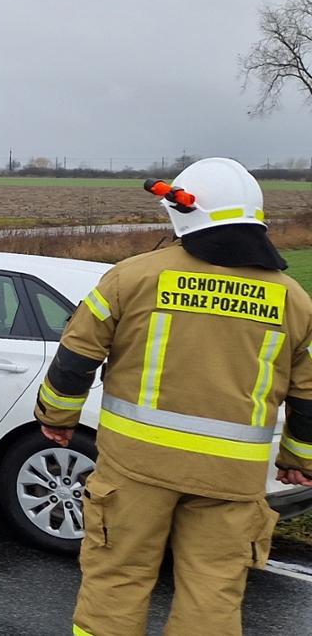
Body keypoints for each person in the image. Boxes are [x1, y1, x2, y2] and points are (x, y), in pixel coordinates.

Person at [37, 157, 312, 635]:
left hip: (136, 470)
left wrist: (58, 417)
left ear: (182, 211)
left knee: (117, 580)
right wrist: (299, 457)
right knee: (213, 591)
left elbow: (76, 355)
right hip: (232, 479)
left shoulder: (132, 277)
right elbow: (308, 392)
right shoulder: (292, 299)